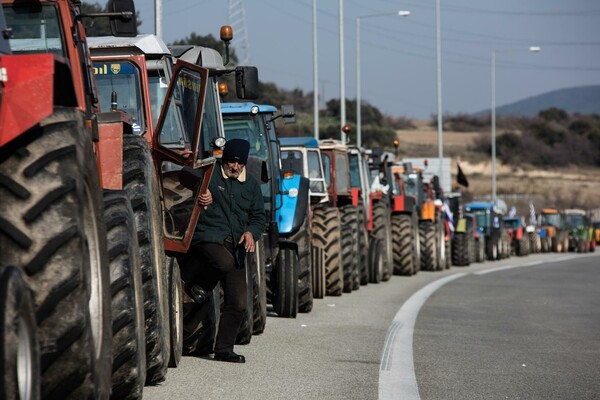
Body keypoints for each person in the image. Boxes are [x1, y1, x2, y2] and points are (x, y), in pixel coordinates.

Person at [182, 138, 266, 363]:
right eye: (231, 161)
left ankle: (223, 350)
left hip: (236, 246)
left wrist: (251, 233)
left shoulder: (251, 185)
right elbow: (186, 176)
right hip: (209, 237)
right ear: (224, 159)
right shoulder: (210, 173)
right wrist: (202, 191)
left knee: (238, 303)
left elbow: (259, 217)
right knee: (224, 263)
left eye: (239, 163)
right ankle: (199, 287)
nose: (235, 167)